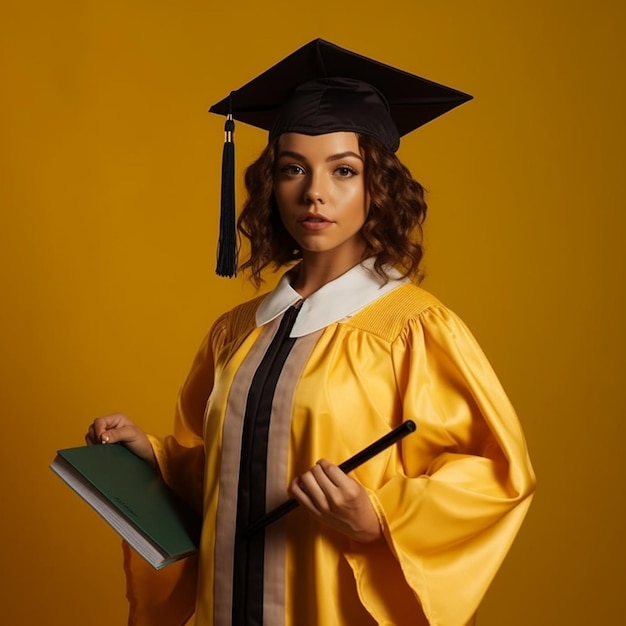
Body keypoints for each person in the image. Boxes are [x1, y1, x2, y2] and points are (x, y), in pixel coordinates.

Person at [85, 39, 535, 626]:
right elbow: (228, 477)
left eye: (343, 170)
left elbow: (495, 474)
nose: (314, 193)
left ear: (379, 187)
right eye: (293, 168)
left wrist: (380, 515)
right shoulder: (235, 332)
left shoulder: (411, 328)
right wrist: (157, 461)